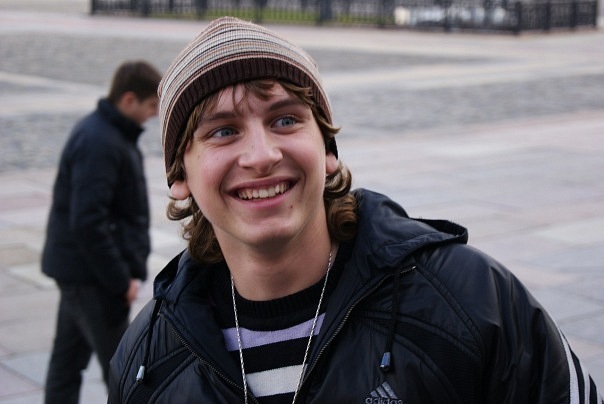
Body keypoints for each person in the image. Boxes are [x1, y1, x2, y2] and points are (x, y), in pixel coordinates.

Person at [108, 17, 603, 404]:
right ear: (180, 177)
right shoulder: (146, 360)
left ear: (327, 149)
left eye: (285, 120)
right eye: (223, 131)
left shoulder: (470, 302)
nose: (261, 155)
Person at [42, 60, 161, 404]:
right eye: (150, 105)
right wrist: (120, 279)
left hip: (79, 272)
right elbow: (88, 221)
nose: (154, 114)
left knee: (67, 364)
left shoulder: (108, 133)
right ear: (128, 99)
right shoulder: (101, 142)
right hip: (93, 278)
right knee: (126, 370)